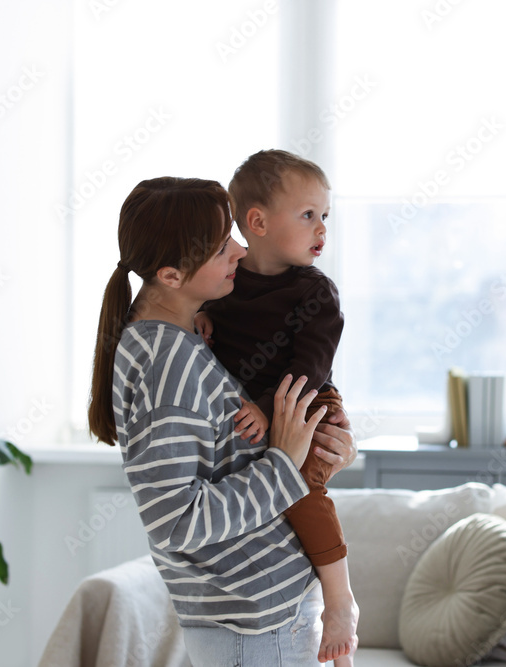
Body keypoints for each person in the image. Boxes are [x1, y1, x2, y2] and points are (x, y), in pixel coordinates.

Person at [87, 176, 358, 666]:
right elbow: (176, 521)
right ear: (171, 276)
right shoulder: (167, 362)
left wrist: (323, 448)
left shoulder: (185, 338)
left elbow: (232, 455)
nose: (240, 250)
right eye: (220, 248)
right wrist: (285, 462)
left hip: (262, 617)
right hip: (255, 625)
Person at [193, 150, 357, 666]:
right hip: (257, 408)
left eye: (325, 215)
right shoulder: (227, 281)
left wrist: (269, 410)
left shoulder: (316, 292)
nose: (322, 228)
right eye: (308, 214)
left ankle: (339, 600)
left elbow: (311, 367)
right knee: (257, 486)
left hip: (306, 399)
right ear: (258, 222)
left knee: (300, 486)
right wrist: (199, 316)